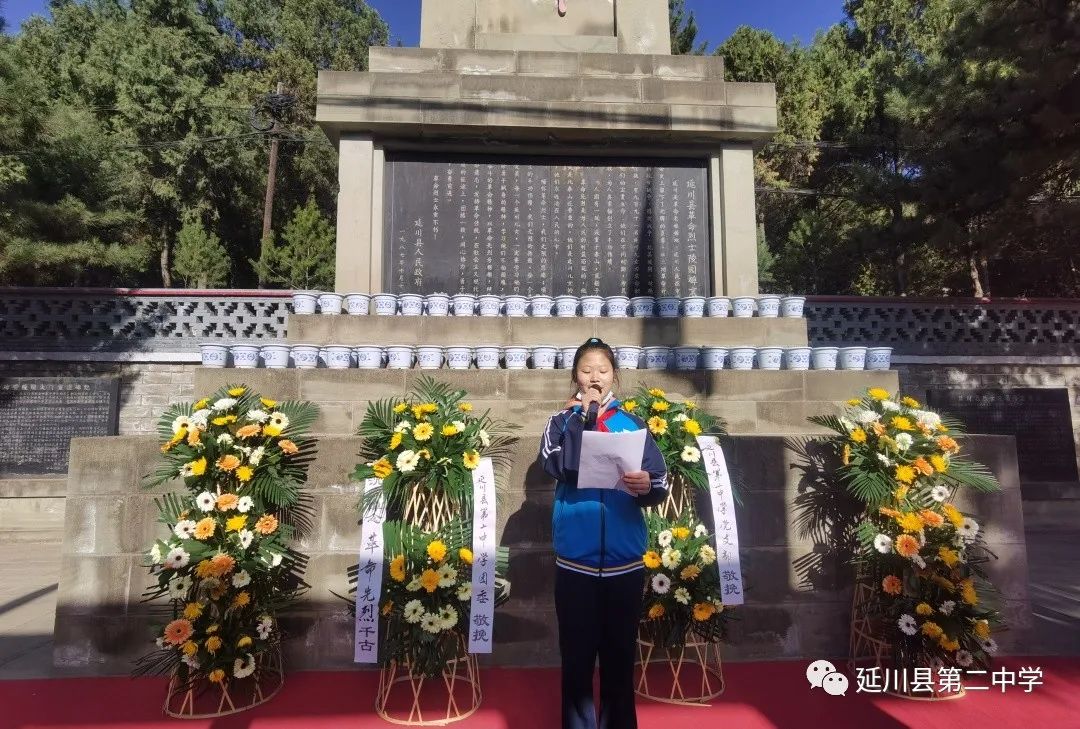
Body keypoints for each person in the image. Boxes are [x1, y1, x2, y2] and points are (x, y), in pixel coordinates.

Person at [537, 337, 669, 729]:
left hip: (624, 564)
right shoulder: (559, 423)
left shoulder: (634, 425)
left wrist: (647, 485)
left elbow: (660, 479)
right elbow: (554, 464)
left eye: (602, 370)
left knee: (619, 659)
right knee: (576, 661)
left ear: (615, 375)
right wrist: (582, 420)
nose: (594, 377)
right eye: (586, 369)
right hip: (575, 562)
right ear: (574, 376)